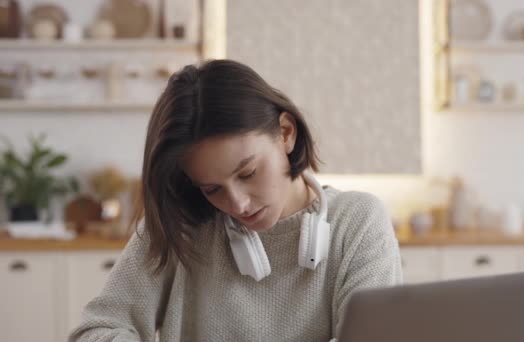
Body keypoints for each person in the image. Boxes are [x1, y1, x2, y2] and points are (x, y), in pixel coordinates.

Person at [69, 59, 402, 341]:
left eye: (248, 173)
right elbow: (96, 331)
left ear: (286, 133)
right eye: (212, 189)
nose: (239, 205)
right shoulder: (183, 223)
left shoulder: (358, 222)